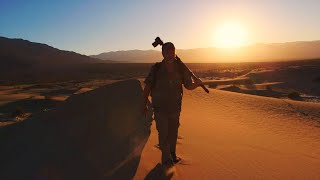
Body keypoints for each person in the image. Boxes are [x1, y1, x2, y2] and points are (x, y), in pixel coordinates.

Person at [142, 42, 202, 167]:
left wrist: (197, 84)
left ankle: (172, 154)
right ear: (163, 53)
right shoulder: (156, 68)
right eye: (167, 52)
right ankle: (166, 159)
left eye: (172, 52)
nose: (170, 54)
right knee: (163, 133)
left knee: (173, 133)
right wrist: (144, 103)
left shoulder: (180, 68)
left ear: (175, 52)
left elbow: (188, 85)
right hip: (159, 108)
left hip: (175, 108)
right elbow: (147, 86)